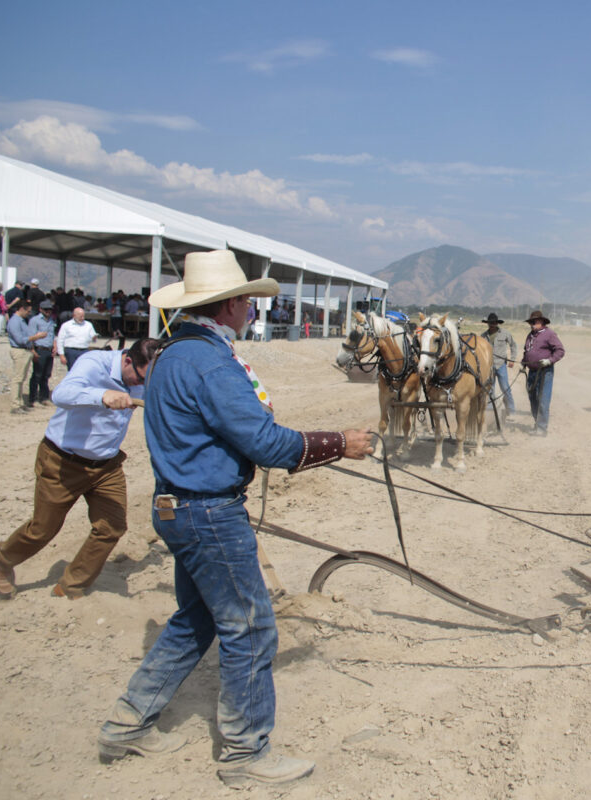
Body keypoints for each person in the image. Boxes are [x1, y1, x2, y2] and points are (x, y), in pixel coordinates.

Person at [97, 250, 374, 788]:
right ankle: (246, 754)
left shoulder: (174, 354)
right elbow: (265, 442)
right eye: (247, 299)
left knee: (197, 620)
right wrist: (339, 442)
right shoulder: (210, 362)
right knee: (250, 628)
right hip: (207, 512)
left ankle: (128, 723)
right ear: (228, 306)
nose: (252, 307)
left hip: (176, 506)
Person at [0, 339, 160, 600]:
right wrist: (101, 396)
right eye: (139, 378)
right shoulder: (94, 364)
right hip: (63, 462)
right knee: (43, 529)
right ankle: (2, 558)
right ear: (127, 360)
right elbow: (61, 394)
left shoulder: (144, 377)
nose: (141, 386)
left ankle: (72, 585)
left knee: (111, 527)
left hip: (107, 466)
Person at [521, 310, 564, 436]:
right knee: (533, 399)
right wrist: (524, 362)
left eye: (534, 322)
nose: (531, 324)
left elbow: (560, 351)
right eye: (530, 322)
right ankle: (537, 423)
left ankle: (542, 428)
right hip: (532, 371)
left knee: (543, 399)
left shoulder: (549, 334)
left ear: (541, 322)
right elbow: (526, 351)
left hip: (545, 372)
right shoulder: (530, 335)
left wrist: (549, 361)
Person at [480, 312, 518, 416]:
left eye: (493, 323)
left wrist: (512, 359)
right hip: (488, 367)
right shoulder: (483, 336)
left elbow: (513, 346)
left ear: (497, 323)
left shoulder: (505, 333)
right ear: (487, 323)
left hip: (501, 365)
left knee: (505, 388)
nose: (492, 325)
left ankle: (511, 410)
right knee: (489, 389)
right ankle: (490, 412)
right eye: (490, 323)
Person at [6, 302, 39, 413]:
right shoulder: (15, 321)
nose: (29, 313)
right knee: (17, 379)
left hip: (25, 350)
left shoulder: (21, 321)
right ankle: (15, 405)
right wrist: (35, 337)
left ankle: (20, 403)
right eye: (28, 311)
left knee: (21, 378)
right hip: (19, 350)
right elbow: (19, 339)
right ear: (21, 309)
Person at [28, 300, 57, 406]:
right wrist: (33, 351)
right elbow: (30, 336)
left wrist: (55, 345)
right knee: (37, 375)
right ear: (40, 309)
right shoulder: (35, 320)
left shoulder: (51, 320)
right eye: (46, 309)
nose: (48, 311)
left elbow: (52, 334)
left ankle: (44, 397)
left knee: (46, 375)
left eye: (50, 309)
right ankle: (33, 398)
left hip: (49, 350)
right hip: (40, 348)